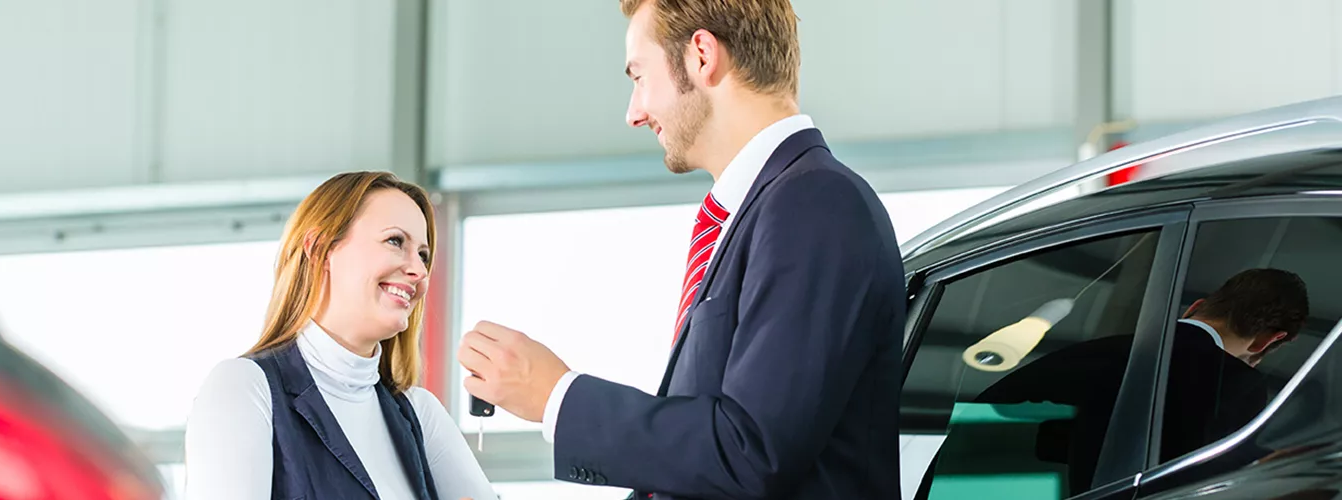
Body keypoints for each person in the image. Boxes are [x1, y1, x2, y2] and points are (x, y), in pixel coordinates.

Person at [456, 1, 907, 498]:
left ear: (701, 55)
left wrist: (556, 396)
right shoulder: (770, 209)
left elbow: (750, 453)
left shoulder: (815, 203)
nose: (633, 113)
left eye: (639, 76)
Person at [185, 172, 496, 500]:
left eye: (423, 255)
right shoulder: (243, 386)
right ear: (320, 248)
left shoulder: (420, 413)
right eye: (395, 241)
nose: (419, 271)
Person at [976, 268, 1310, 493]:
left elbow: (986, 413)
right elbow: (1218, 482)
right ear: (1267, 341)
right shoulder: (1237, 383)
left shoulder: (1093, 351)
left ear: (1194, 308)